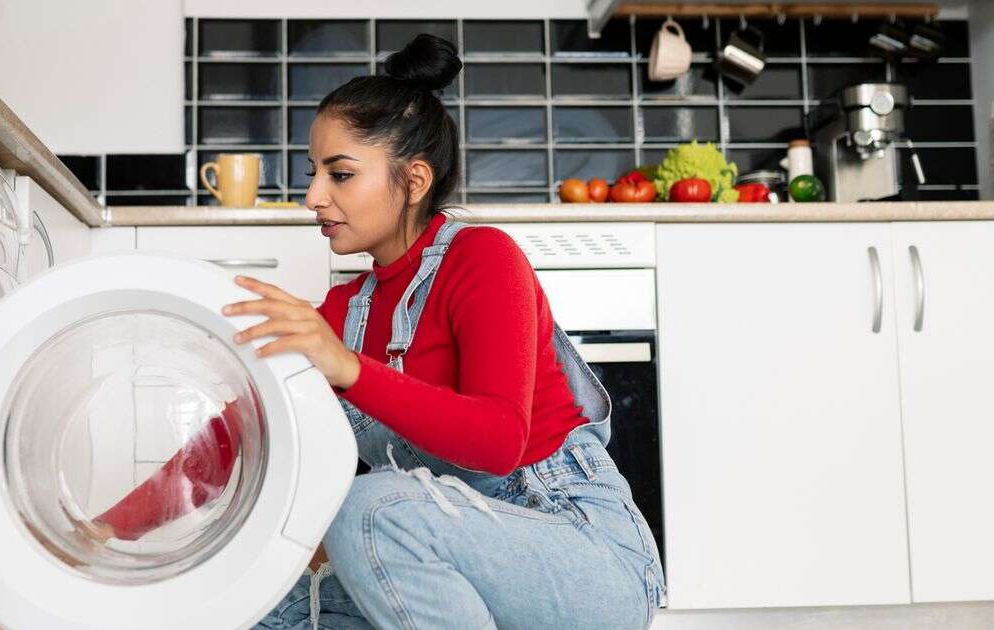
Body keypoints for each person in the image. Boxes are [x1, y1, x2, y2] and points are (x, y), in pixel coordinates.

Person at [88, 32, 664, 630]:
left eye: (340, 175)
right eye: (314, 173)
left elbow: (499, 443)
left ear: (413, 181)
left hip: (585, 560)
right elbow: (233, 439)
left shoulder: (483, 259)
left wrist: (349, 369)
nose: (312, 197)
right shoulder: (343, 312)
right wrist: (102, 531)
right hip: (451, 576)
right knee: (259, 607)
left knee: (365, 513)